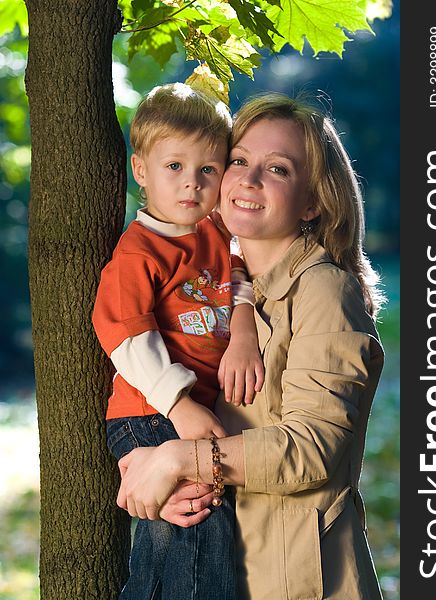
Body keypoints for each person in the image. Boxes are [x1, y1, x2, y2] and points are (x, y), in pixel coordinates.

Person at [116, 92, 386, 600]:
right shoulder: (205, 281)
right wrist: (154, 473)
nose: (248, 179)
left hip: (297, 578)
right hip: (225, 560)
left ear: (312, 201)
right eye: (238, 160)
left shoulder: (325, 290)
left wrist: (179, 461)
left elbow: (314, 448)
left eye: (278, 169)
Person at [92, 82, 264, 600]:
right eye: (174, 168)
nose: (192, 185)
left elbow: (241, 275)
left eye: (207, 170)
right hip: (151, 411)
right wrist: (180, 404)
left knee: (194, 547)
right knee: (193, 544)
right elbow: (124, 335)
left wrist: (245, 327)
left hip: (194, 413)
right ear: (140, 170)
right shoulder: (138, 252)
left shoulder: (215, 233)